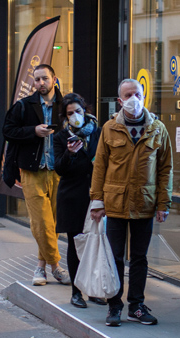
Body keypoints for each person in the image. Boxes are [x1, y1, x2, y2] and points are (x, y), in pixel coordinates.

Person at [90, 78, 173, 327]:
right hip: (114, 204)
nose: (132, 99)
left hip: (144, 204)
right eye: (127, 95)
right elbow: (100, 166)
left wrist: (163, 203)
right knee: (114, 257)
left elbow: (165, 169)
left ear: (144, 96)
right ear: (120, 100)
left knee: (139, 258)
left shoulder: (158, 129)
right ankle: (115, 305)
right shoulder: (109, 128)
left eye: (136, 94)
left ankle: (136, 306)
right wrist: (96, 201)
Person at [2, 64, 71, 286]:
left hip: (59, 171)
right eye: (37, 79)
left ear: (54, 79)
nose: (40, 83)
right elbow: (8, 131)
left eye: (44, 79)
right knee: (40, 223)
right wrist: (33, 131)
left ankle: (40, 268)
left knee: (52, 223)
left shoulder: (66, 106)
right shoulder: (24, 106)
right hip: (32, 171)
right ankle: (56, 267)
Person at [52, 93, 107, 308]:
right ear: (65, 116)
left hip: (95, 196)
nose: (75, 116)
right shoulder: (60, 137)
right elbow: (59, 169)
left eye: (78, 111)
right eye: (70, 113)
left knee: (96, 244)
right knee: (75, 245)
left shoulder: (99, 133)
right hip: (72, 197)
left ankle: (93, 290)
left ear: (86, 111)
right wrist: (69, 154)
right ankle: (76, 292)